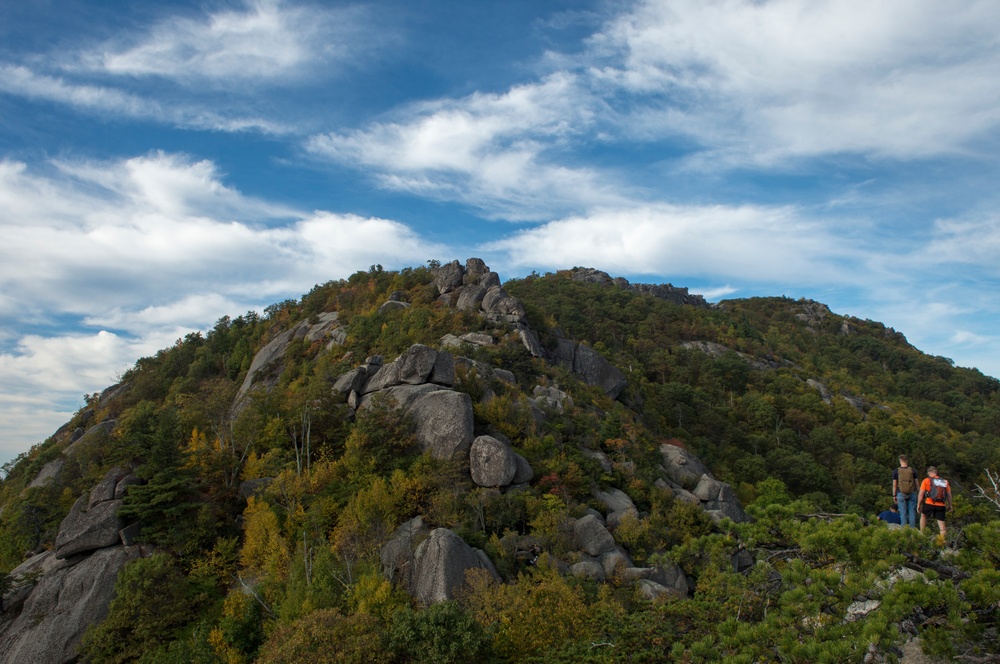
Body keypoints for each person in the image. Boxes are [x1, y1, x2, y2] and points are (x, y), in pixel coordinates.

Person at [917, 466, 953, 540]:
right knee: (941, 524)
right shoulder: (944, 481)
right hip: (941, 504)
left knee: (923, 516)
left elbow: (921, 494)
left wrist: (919, 504)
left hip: (929, 503)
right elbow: (949, 494)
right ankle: (942, 541)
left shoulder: (926, 480)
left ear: (929, 472)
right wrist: (950, 505)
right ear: (936, 473)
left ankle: (922, 534)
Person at [892, 455, 918, 528]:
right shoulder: (912, 471)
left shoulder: (896, 471)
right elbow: (916, 483)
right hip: (911, 493)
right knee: (912, 512)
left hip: (901, 493)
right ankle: (912, 528)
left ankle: (904, 529)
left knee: (903, 512)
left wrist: (894, 495)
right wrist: (919, 493)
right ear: (907, 461)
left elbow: (894, 485)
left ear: (900, 461)